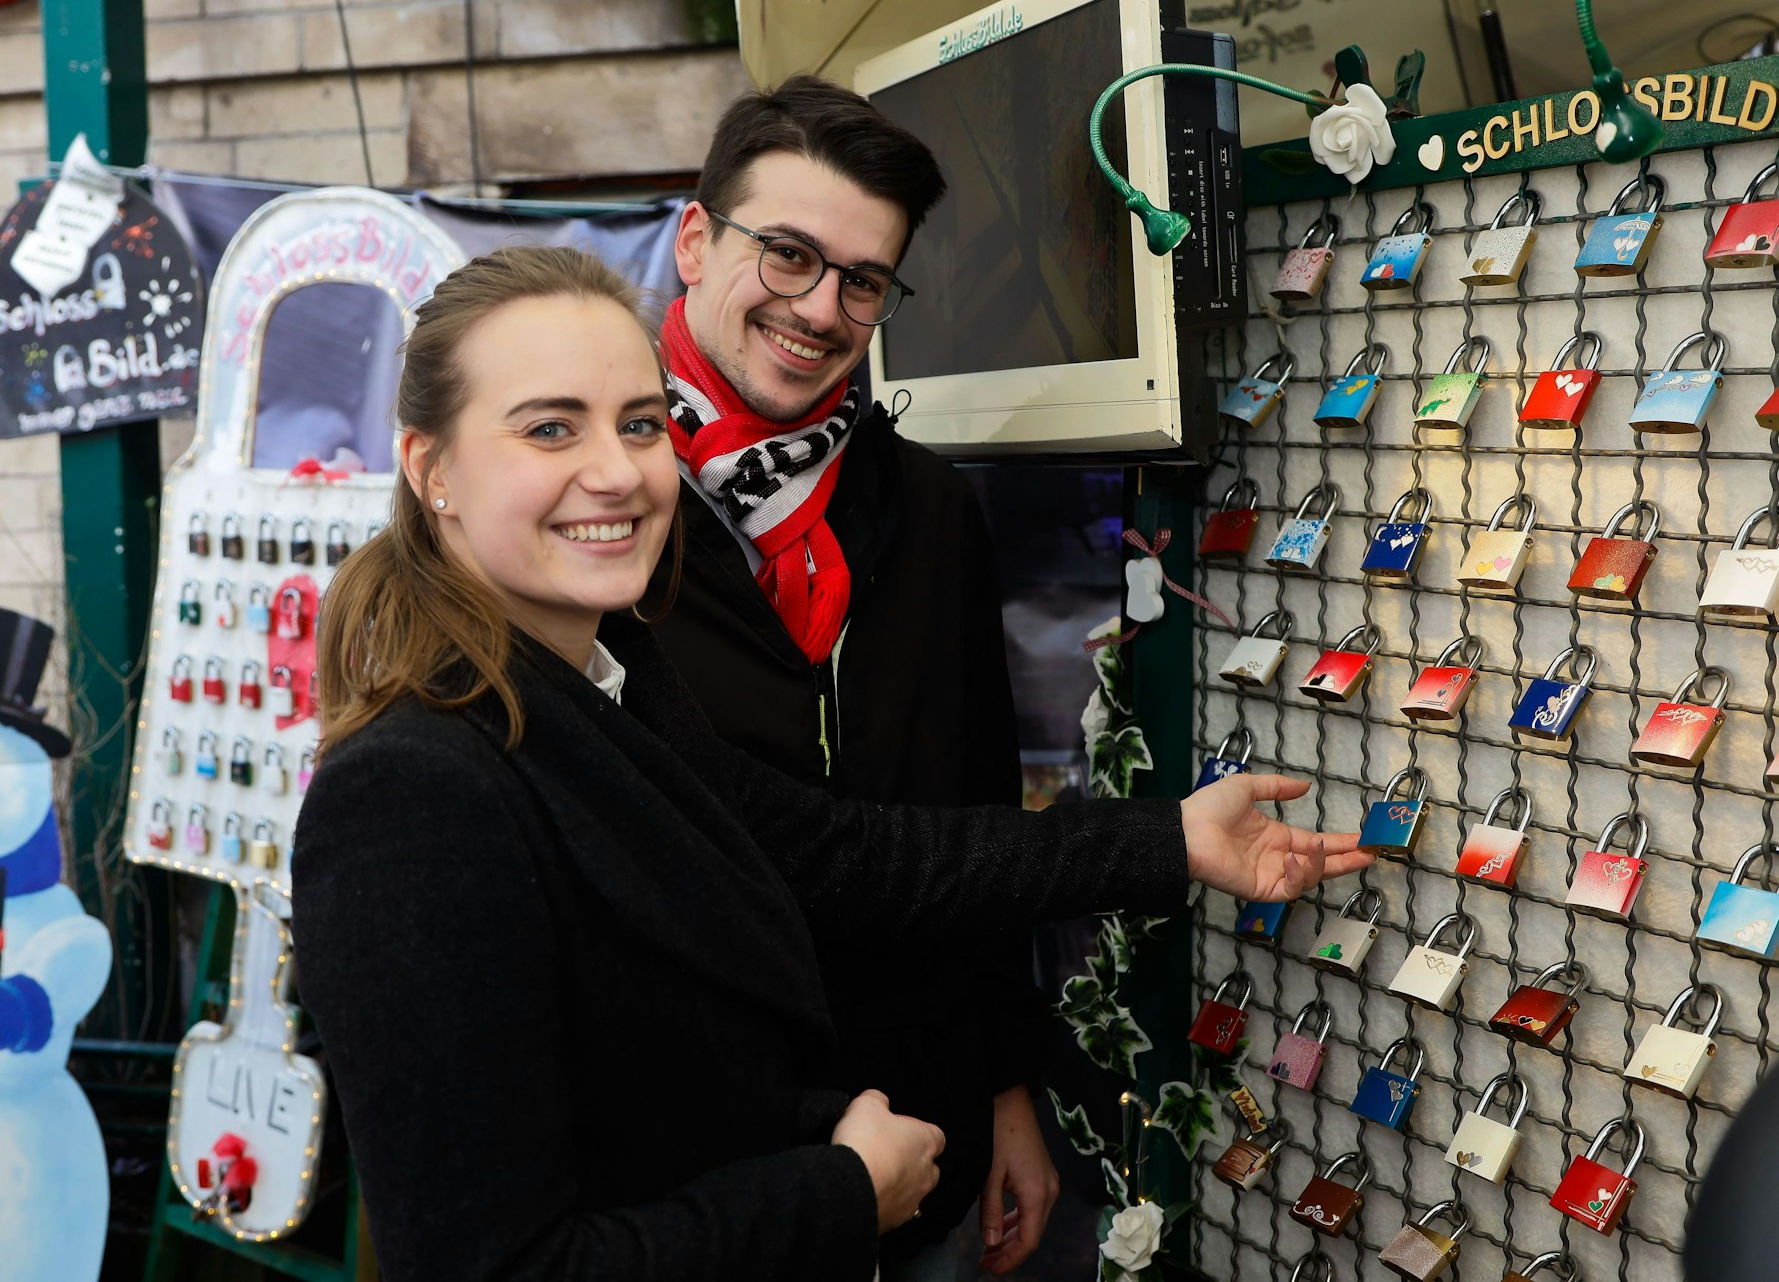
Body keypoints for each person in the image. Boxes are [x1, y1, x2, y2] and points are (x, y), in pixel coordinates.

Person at [292, 244, 1372, 1282]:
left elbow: (851, 855)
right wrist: (841, 1189)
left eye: (638, 422)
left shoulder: (616, 679)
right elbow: (495, 1263)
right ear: (430, 467)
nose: (617, 472)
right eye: (548, 429)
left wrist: (1168, 836)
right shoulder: (412, 793)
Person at [646, 78, 1054, 1278]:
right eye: (786, 254)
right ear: (694, 239)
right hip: (687, 1159)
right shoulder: (597, 501)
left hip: (916, 1131)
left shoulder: (927, 507)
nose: (820, 309)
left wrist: (1007, 1090)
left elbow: (975, 811)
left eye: (862, 280)